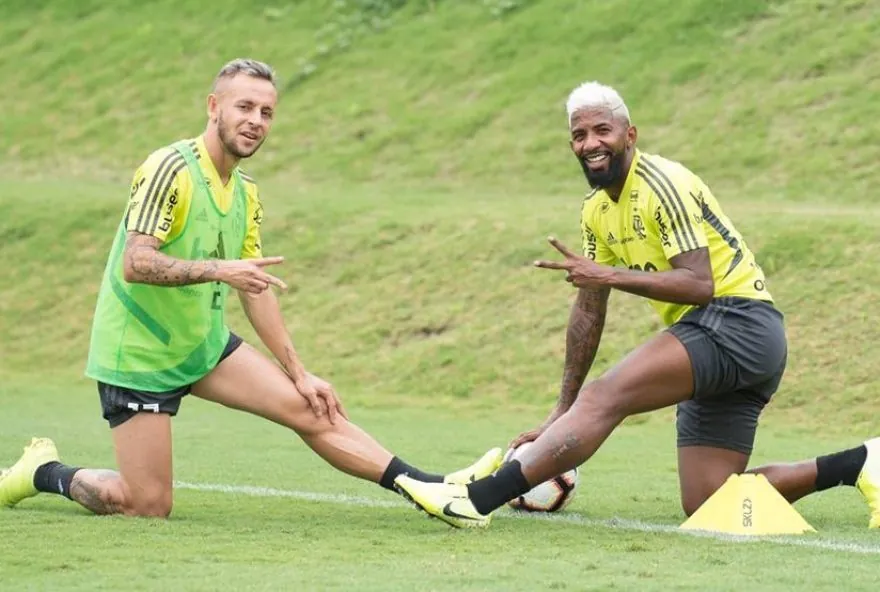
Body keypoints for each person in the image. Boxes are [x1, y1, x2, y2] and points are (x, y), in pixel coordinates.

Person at [0, 58, 501, 517]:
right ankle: (44, 472)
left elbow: (255, 286)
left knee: (309, 405)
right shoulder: (169, 168)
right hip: (139, 357)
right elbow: (137, 262)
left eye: (266, 112)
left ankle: (432, 487)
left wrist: (299, 372)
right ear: (213, 107)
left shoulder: (246, 192)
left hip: (202, 345)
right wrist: (220, 269)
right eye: (244, 107)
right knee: (145, 505)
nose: (255, 120)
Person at [394, 81, 880, 528]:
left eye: (602, 130)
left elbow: (699, 284)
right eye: (579, 135)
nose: (591, 143)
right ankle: (859, 463)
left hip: (738, 321)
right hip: (716, 341)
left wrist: (606, 276)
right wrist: (562, 408)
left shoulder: (662, 183)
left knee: (607, 395)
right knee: (709, 502)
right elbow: (589, 311)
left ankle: (475, 501)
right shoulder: (595, 211)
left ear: (630, 134)